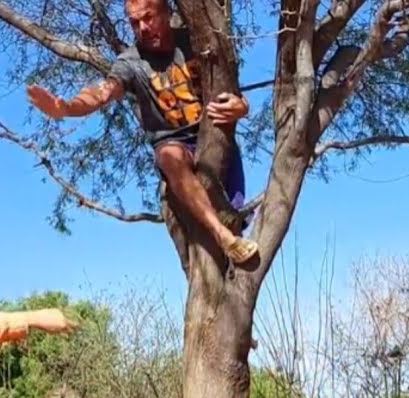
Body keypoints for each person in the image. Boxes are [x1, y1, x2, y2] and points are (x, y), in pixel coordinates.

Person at [24, 0, 259, 265]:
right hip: (174, 144)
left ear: (167, 13)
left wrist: (243, 107)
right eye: (134, 22)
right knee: (168, 156)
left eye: (148, 17)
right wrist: (67, 108)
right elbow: (102, 93)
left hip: (213, 134)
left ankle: (233, 239)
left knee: (235, 220)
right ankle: (222, 236)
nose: (143, 28)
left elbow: (230, 90)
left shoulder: (195, 41)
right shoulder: (130, 62)